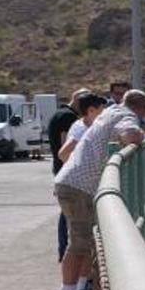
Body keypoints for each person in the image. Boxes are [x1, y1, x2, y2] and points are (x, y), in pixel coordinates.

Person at [51, 91, 145, 290]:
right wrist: (140, 135)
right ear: (140, 109)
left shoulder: (111, 111)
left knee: (85, 242)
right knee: (78, 242)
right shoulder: (126, 115)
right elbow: (130, 136)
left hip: (77, 185)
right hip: (78, 187)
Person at [47, 90, 86, 263]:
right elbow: (65, 146)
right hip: (66, 169)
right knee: (69, 215)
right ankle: (65, 252)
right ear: (77, 100)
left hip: (59, 168)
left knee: (66, 213)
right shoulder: (68, 117)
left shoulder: (58, 114)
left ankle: (64, 251)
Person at [57, 94, 109, 166]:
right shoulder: (81, 129)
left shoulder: (86, 126)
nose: (104, 113)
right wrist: (81, 168)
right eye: (101, 110)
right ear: (91, 110)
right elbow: (63, 154)